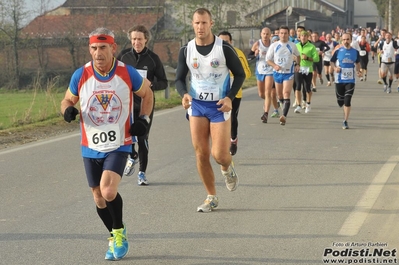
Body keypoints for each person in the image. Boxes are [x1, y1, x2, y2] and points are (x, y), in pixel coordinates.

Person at [60, 27, 154, 260]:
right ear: (89, 49)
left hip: (119, 143)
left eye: (103, 47)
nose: (98, 52)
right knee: (98, 197)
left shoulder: (127, 73)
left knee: (108, 190)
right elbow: (67, 99)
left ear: (113, 48)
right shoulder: (80, 75)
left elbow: (148, 94)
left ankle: (119, 232)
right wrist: (67, 111)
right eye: (94, 48)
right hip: (90, 144)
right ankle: (114, 233)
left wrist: (143, 119)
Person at [175, 8, 245, 212]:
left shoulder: (223, 48)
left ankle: (227, 167)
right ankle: (211, 196)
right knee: (200, 153)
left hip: (218, 106)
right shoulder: (186, 50)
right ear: (192, 24)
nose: (200, 27)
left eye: (204, 23)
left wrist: (230, 98)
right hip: (197, 105)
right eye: (197, 23)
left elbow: (239, 74)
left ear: (211, 24)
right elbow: (179, 78)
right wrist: (184, 94)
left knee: (219, 154)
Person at [117, 25, 168, 185]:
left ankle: (142, 173)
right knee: (127, 136)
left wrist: (150, 84)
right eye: (133, 39)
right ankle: (132, 155)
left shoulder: (153, 59)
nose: (136, 42)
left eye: (139, 39)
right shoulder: (124, 56)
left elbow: (164, 83)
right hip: (127, 105)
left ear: (146, 39)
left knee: (142, 138)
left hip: (145, 104)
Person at [217, 31, 251, 156]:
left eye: (226, 41)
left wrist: (234, 76)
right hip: (217, 93)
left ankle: (233, 140)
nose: (224, 44)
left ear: (230, 42)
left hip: (234, 93)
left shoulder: (238, 53)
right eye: (221, 41)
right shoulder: (214, 54)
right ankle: (220, 144)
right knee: (217, 119)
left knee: (232, 118)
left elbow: (246, 72)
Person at [266, 25, 300, 125]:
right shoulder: (274, 45)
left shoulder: (292, 45)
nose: (283, 35)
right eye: (281, 33)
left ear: (288, 34)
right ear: (278, 34)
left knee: (286, 93)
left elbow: (298, 56)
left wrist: (297, 64)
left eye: (285, 33)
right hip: (277, 73)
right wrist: (274, 65)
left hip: (288, 73)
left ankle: (284, 116)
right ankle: (282, 109)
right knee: (279, 95)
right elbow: (268, 60)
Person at [330, 33, 361, 129]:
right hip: (339, 80)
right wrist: (335, 68)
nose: (346, 41)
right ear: (341, 40)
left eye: (348, 39)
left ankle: (345, 120)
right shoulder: (338, 51)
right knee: (340, 101)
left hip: (351, 80)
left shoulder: (355, 52)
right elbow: (331, 62)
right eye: (344, 39)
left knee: (347, 100)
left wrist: (358, 71)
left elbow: (358, 63)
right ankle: (342, 104)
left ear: (351, 40)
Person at [248, 27, 279, 124]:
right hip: (260, 70)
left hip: (270, 70)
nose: (265, 36)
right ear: (261, 34)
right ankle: (269, 102)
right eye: (264, 34)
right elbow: (249, 57)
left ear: (270, 35)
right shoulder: (257, 44)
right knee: (261, 94)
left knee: (268, 91)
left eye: (267, 34)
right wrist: (255, 55)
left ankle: (265, 113)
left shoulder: (273, 45)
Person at [294, 31, 319, 114]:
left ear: (308, 37)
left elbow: (316, 59)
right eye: (302, 36)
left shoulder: (311, 47)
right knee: (297, 87)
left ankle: (308, 103)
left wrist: (308, 58)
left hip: (308, 69)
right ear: (299, 37)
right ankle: (298, 105)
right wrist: (294, 58)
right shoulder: (296, 46)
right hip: (299, 68)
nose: (303, 37)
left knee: (307, 87)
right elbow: (292, 55)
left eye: (305, 36)